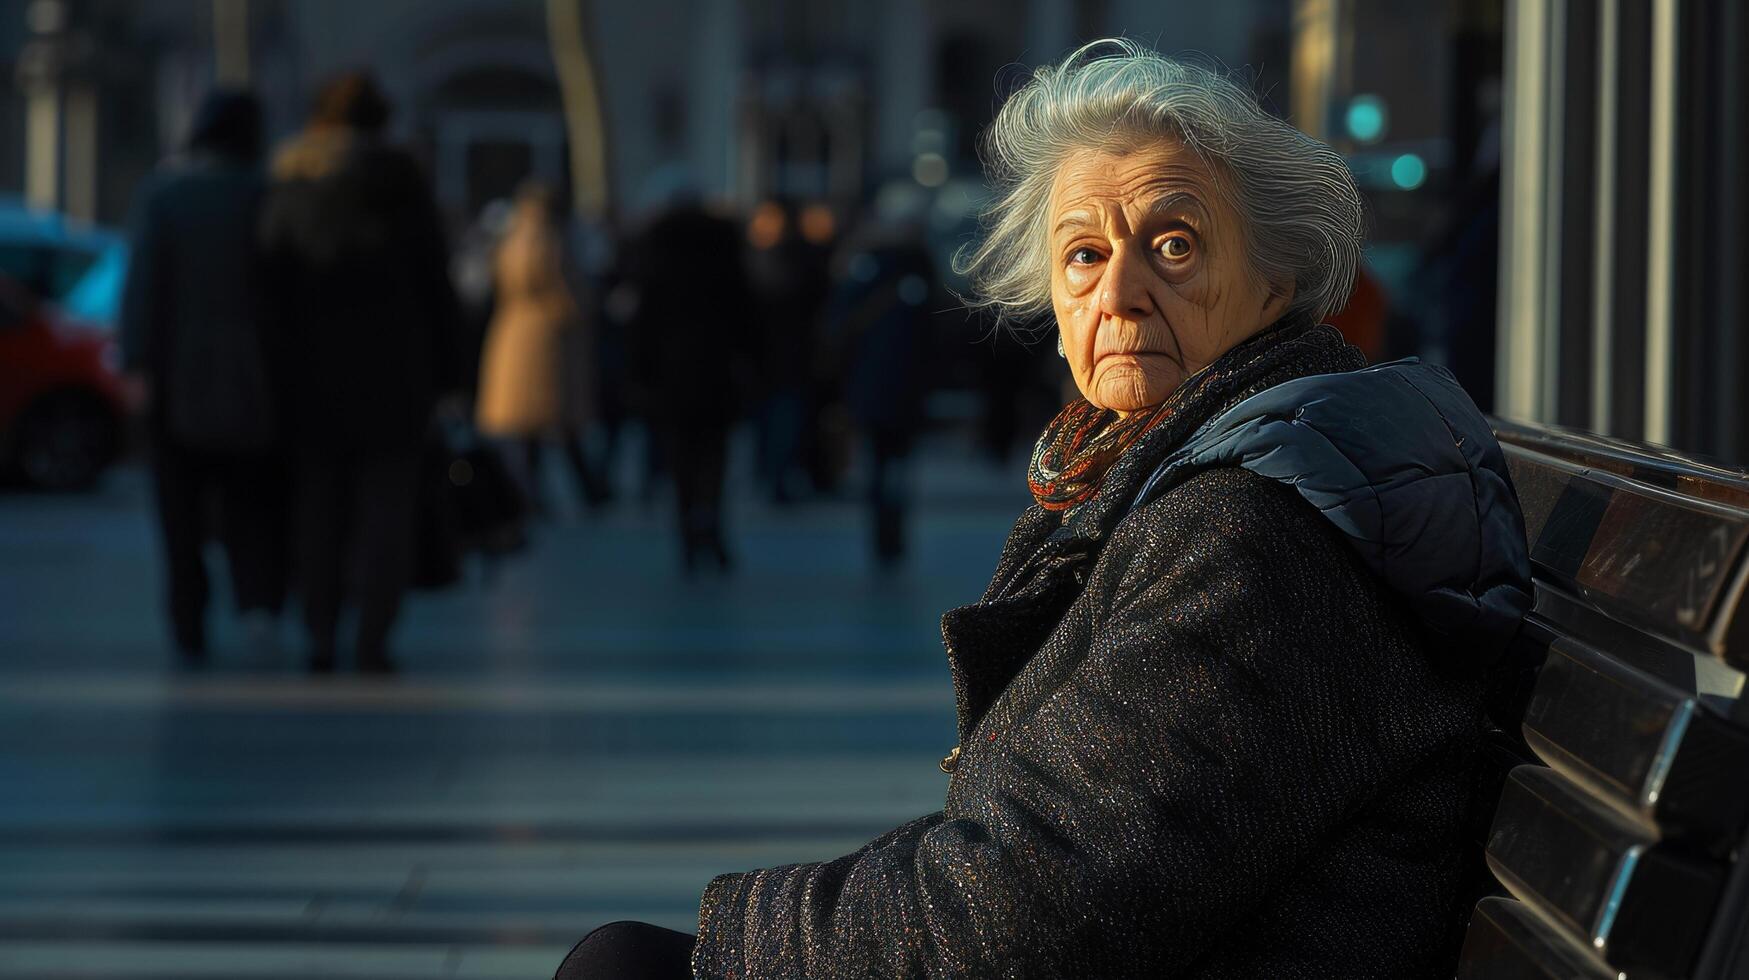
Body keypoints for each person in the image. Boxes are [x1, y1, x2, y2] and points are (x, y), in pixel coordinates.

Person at [555, 40, 1532, 979]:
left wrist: (745, 934)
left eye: (1175, 245)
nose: (1121, 290)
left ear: (1276, 278)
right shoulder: (1201, 482)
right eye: (1082, 255)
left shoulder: (1252, 538)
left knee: (623, 964)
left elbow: (1029, 911)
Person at [260, 72, 461, 674]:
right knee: (386, 513)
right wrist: (450, 376)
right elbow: (436, 288)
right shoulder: (403, 186)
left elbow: (269, 289)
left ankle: (320, 631)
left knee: (316, 510)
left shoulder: (292, 185)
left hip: (310, 376)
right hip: (395, 375)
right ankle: (374, 635)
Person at [119, 89, 286, 663]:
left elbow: (142, 289)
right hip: (255, 376)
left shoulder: (166, 197)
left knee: (179, 512)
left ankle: (189, 620)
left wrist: (136, 362)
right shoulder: (264, 195)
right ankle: (258, 602)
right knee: (252, 502)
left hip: (177, 376)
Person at [627, 204, 756, 575]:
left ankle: (688, 534)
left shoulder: (658, 269)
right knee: (714, 459)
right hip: (717, 374)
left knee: (682, 460)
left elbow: (641, 329)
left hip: (673, 378)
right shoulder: (725, 266)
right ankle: (710, 525)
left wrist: (640, 375)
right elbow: (748, 322)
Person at [475, 182, 605, 512]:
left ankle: (529, 494)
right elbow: (568, 296)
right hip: (546, 341)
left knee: (526, 432)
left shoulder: (510, 239)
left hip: (510, 337)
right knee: (555, 425)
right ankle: (575, 493)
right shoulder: (550, 241)